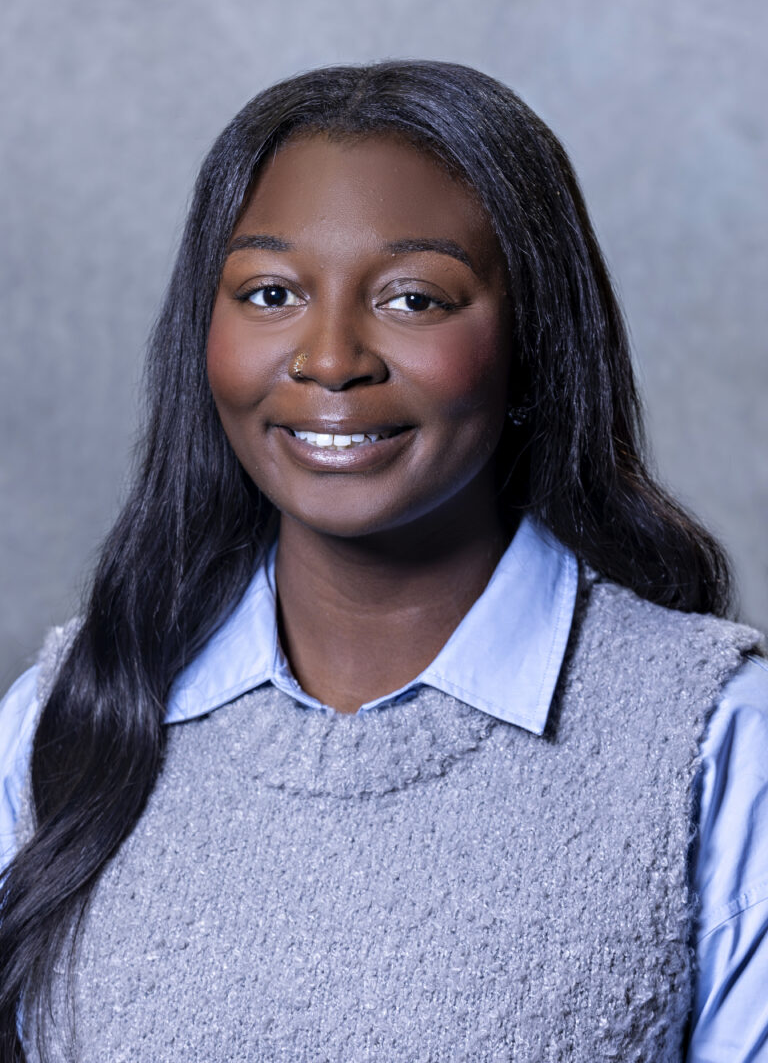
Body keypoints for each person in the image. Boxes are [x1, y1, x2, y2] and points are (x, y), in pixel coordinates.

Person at [0, 60, 766, 1062]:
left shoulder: (714, 741)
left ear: (534, 335)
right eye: (270, 292)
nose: (328, 358)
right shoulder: (68, 713)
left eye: (414, 300)